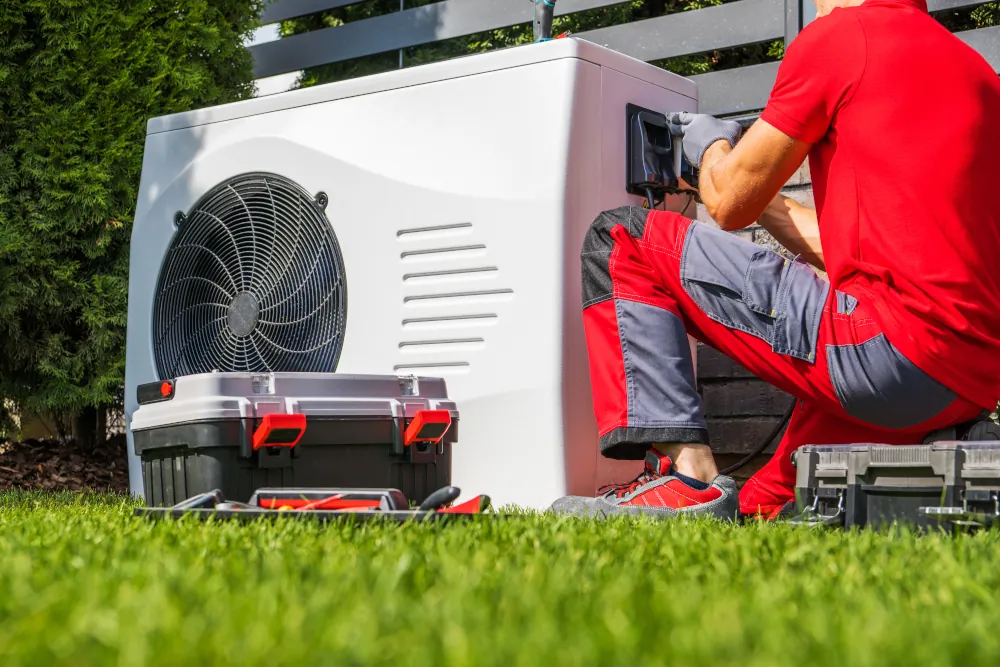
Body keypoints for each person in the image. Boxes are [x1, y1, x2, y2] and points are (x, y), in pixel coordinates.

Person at [551, 0, 1000, 520]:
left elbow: (725, 203)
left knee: (622, 239)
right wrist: (748, 177)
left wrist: (712, 148)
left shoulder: (841, 37)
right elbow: (878, 247)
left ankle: (687, 478)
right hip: (964, 382)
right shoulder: (977, 73)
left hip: (884, 353)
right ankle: (948, 439)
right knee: (764, 507)